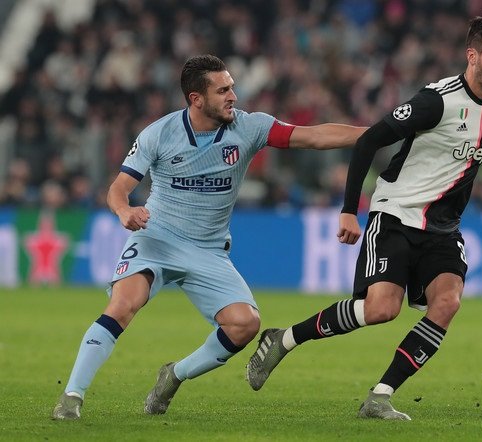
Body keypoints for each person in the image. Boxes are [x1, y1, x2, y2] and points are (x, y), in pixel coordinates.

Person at [52, 54, 366, 420]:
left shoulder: (249, 128)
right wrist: (125, 211)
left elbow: (313, 137)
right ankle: (72, 397)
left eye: (232, 87)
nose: (233, 95)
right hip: (157, 238)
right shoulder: (159, 133)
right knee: (123, 306)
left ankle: (174, 375)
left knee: (245, 324)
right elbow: (118, 189)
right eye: (223, 90)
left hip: (208, 249)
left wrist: (376, 133)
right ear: (196, 99)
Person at [246, 15, 482, 420]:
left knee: (447, 302)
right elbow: (371, 140)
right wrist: (348, 210)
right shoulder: (436, 100)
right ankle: (284, 339)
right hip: (396, 213)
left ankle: (381, 396)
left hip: (442, 227)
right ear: (472, 55)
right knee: (380, 310)